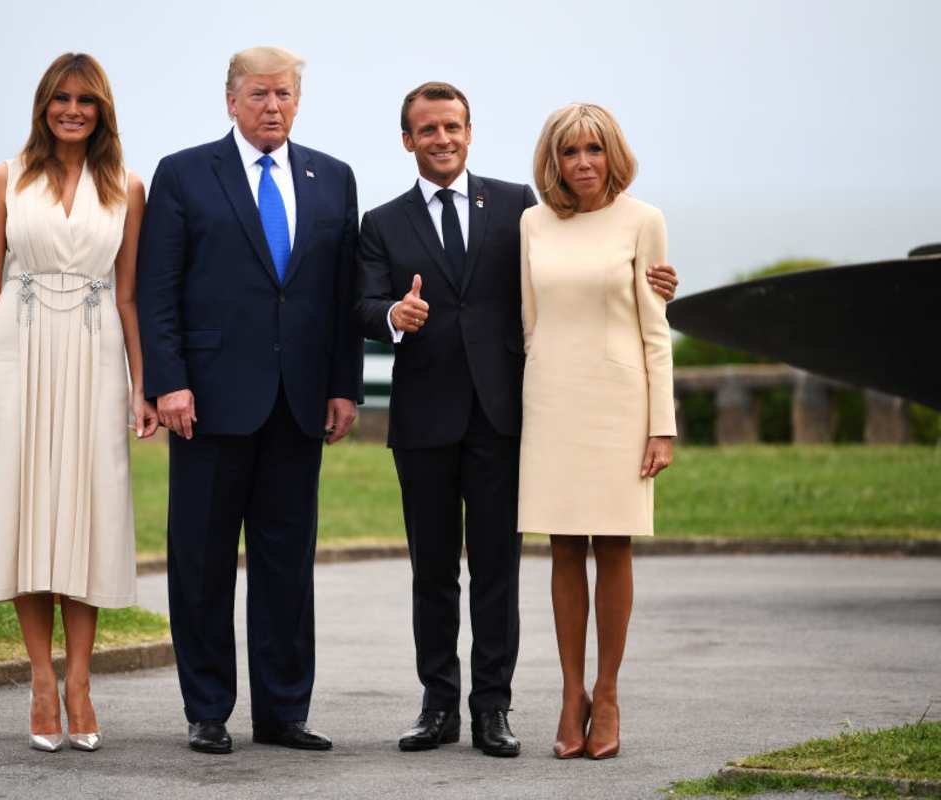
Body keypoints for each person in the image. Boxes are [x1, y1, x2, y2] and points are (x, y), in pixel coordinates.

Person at [356, 84, 677, 758]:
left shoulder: (516, 209)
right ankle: (438, 705)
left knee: (499, 570)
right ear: (407, 139)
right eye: (427, 129)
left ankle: (492, 711)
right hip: (428, 419)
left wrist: (658, 288)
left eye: (452, 126)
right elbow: (361, 304)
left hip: (505, 417)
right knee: (433, 571)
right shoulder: (381, 223)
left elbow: (582, 285)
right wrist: (392, 317)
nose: (441, 138)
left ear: (469, 132)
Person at [136, 46, 363, 755]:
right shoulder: (183, 173)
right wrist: (166, 381)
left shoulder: (333, 178)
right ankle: (208, 709)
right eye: (260, 94)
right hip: (205, 402)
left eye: (285, 94)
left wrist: (344, 386)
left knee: (287, 565)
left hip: (299, 403)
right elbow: (157, 290)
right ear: (231, 99)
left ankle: (283, 712)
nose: (273, 106)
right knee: (200, 562)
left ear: (299, 101)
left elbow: (342, 294)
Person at [0, 52, 156, 754]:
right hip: (21, 353)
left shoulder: (128, 185)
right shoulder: (4, 178)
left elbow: (130, 294)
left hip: (98, 358)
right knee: (26, 512)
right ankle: (41, 680)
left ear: (103, 110)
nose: (73, 110)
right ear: (44, 105)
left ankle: (81, 682)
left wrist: (142, 385)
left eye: (87, 101)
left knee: (89, 514)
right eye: (61, 98)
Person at [518, 103, 677, 760]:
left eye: (593, 149)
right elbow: (528, 325)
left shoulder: (644, 221)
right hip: (552, 399)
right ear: (552, 161)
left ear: (613, 153)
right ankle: (570, 692)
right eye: (569, 152)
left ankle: (607, 694)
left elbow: (655, 329)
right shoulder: (531, 223)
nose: (582, 163)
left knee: (613, 547)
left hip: (620, 402)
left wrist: (660, 426)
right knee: (561, 548)